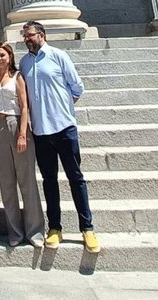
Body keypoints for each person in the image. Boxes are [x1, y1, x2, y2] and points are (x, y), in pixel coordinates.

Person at [18, 21, 99, 253]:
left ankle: (87, 228)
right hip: (41, 131)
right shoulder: (24, 63)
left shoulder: (58, 56)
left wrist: (62, 110)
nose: (27, 39)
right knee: (49, 180)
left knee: (76, 178)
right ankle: (55, 227)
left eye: (30, 35)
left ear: (42, 35)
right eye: (25, 36)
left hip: (64, 129)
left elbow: (77, 88)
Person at [0, 41, 44, 247]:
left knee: (26, 180)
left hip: (17, 125)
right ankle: (15, 232)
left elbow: (24, 105)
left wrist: (22, 133)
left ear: (10, 56)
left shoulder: (18, 76)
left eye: (2, 55)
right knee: (6, 183)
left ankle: (35, 231)